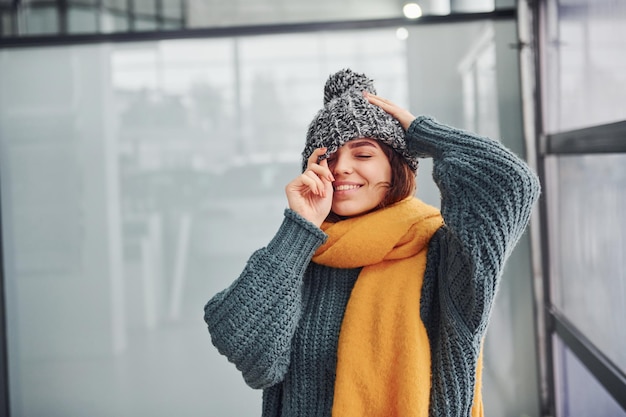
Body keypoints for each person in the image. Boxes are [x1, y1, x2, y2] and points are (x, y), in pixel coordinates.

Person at [204, 68, 540, 417]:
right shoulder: (299, 253)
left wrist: (421, 133)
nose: (341, 168)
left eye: (363, 155)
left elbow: (511, 183)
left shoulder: (442, 252)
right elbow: (245, 348)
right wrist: (301, 225)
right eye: (327, 158)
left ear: (396, 168)